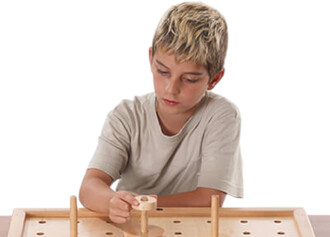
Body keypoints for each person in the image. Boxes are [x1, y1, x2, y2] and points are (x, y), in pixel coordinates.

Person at [79, 2, 243, 224]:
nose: (171, 88)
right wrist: (111, 202)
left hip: (190, 232)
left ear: (214, 79)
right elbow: (89, 186)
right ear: (150, 58)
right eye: (162, 71)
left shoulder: (222, 116)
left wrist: (144, 206)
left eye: (190, 79)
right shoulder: (126, 115)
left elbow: (209, 200)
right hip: (129, 231)